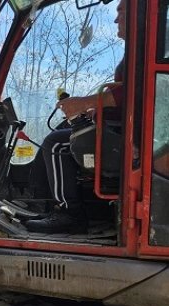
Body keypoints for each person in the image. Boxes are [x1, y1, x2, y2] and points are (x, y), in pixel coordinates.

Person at [26, 0, 126, 234]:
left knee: (56, 143)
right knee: (65, 131)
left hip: (129, 138)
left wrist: (84, 102)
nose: (115, 19)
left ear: (138, 14)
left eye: (121, 11)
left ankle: (70, 214)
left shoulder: (142, 53)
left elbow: (133, 93)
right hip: (122, 127)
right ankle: (57, 207)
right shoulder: (135, 52)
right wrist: (96, 110)